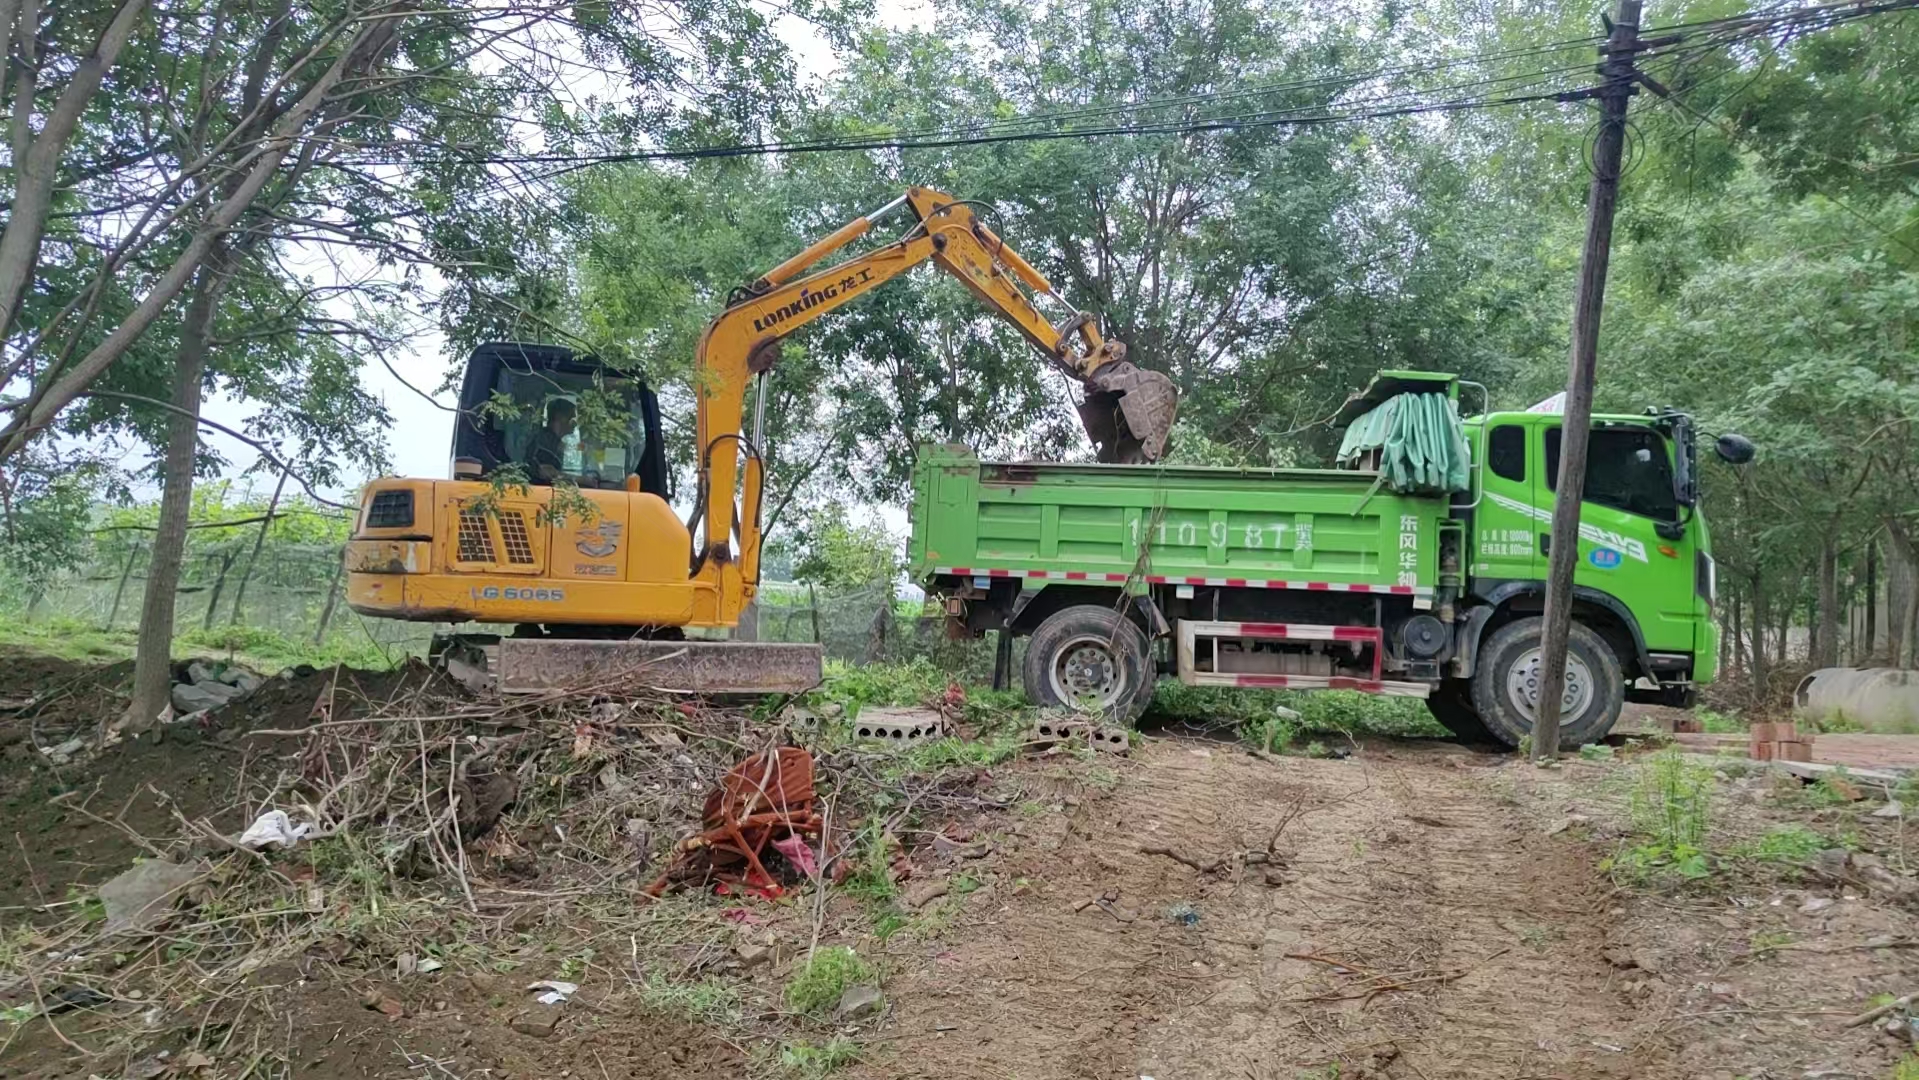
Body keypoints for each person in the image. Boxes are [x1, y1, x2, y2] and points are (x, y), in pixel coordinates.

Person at [525, 398, 576, 484]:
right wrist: (583, 480)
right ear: (559, 417)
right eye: (572, 417)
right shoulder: (543, 442)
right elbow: (547, 472)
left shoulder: (556, 442)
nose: (575, 423)